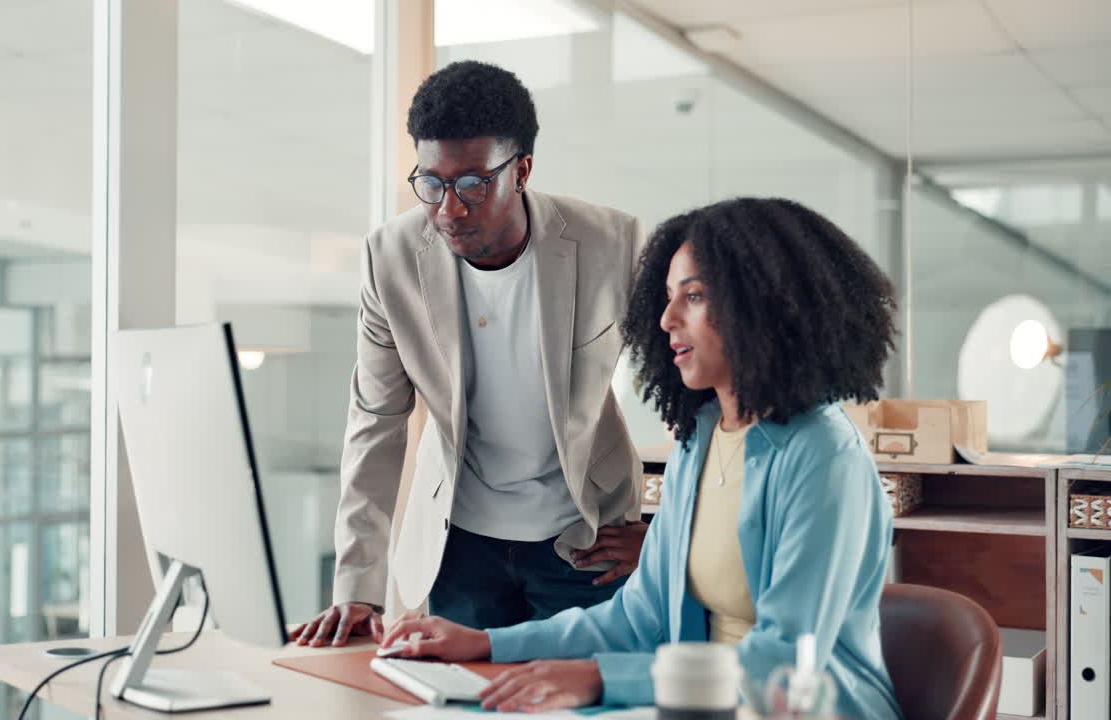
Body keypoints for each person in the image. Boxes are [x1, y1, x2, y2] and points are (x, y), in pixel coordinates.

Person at [380, 197, 903, 720]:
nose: (667, 318)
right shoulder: (700, 439)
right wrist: (485, 643)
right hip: (696, 701)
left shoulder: (824, 456)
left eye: (693, 296)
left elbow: (784, 662)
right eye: (668, 296)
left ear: (763, 302)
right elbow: (638, 616)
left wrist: (600, 678)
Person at [293, 61, 649, 646]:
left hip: (586, 540)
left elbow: (697, 394)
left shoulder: (614, 244)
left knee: (580, 692)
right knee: (460, 694)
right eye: (431, 184)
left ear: (521, 170)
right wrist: (358, 586)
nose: (449, 209)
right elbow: (376, 422)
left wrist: (665, 536)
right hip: (460, 546)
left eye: (472, 184)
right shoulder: (390, 258)